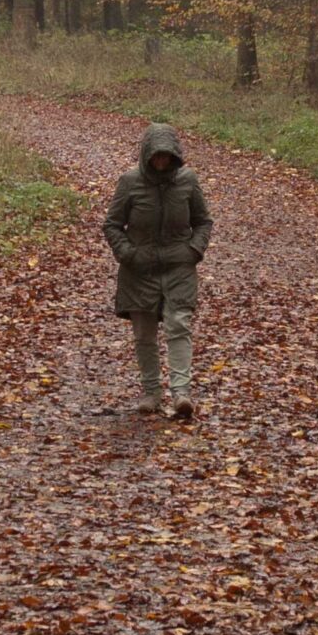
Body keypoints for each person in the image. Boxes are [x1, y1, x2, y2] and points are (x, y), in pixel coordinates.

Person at [102, 122, 212, 420]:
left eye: (166, 156)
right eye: (156, 156)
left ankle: (181, 394)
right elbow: (112, 225)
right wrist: (128, 253)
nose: (161, 161)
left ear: (175, 155)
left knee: (179, 324)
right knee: (144, 332)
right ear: (147, 155)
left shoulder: (188, 181)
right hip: (139, 269)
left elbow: (203, 222)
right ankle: (151, 392)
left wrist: (194, 250)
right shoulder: (129, 182)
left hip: (179, 266)